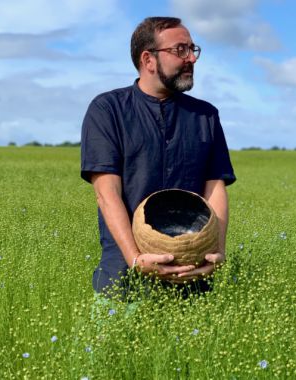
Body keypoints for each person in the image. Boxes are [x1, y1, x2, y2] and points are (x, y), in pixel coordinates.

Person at [81, 17, 236, 296]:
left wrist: (217, 254)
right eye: (180, 50)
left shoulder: (205, 115)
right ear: (148, 59)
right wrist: (136, 260)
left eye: (193, 49)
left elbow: (215, 188)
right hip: (122, 275)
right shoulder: (107, 110)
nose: (191, 58)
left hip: (193, 273)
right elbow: (107, 194)